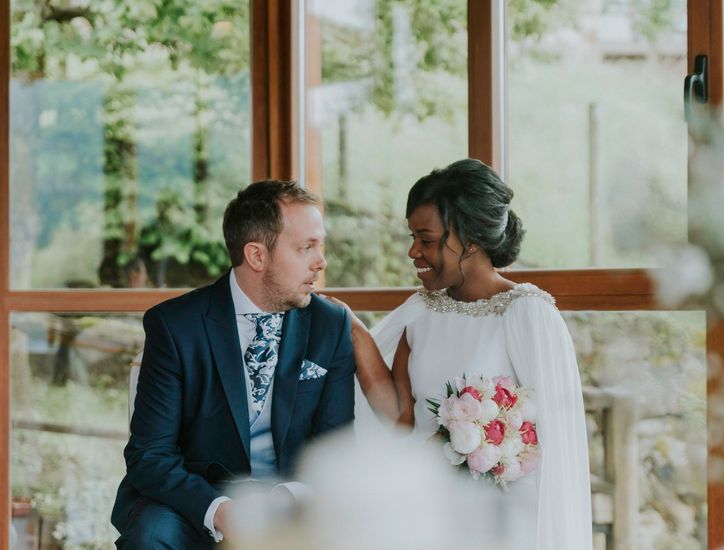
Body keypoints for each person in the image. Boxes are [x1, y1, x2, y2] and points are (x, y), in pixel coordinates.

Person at [111, 180, 394, 548]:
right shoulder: (175, 325)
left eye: (320, 245)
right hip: (196, 501)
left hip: (293, 500)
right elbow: (151, 455)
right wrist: (222, 511)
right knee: (152, 534)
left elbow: (333, 448)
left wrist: (285, 499)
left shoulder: (329, 325)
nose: (321, 261)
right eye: (306, 247)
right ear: (257, 256)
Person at [337, 159, 593, 550]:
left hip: (500, 526)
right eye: (412, 237)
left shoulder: (527, 314)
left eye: (426, 239)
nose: (412, 251)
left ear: (470, 239)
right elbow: (402, 419)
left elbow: (556, 447)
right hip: (424, 518)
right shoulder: (421, 313)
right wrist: (351, 329)